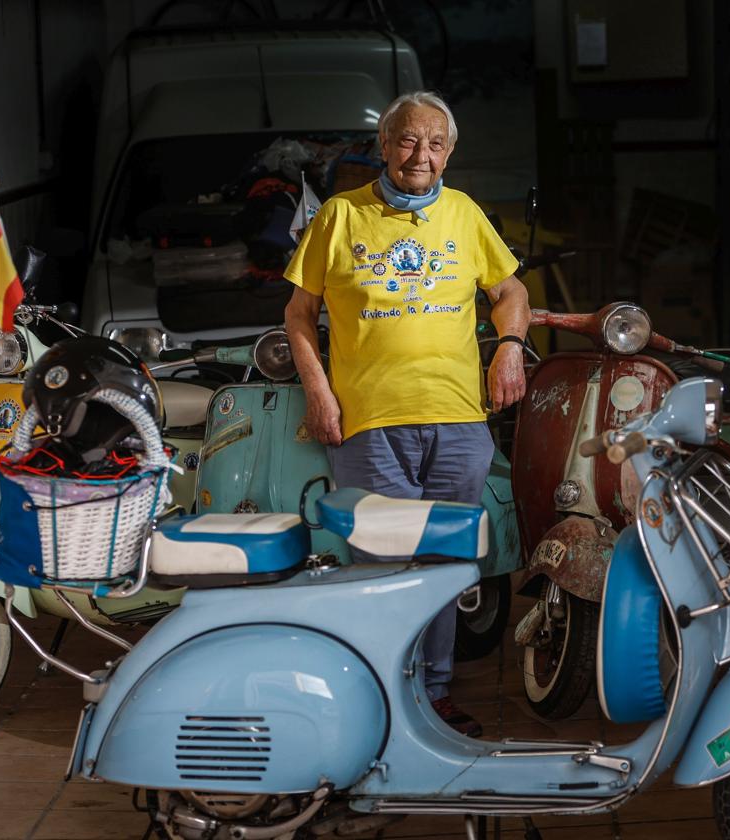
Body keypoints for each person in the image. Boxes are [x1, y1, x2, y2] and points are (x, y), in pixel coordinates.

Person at [283, 90, 530, 737]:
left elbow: (509, 290)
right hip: (368, 421)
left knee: (445, 563)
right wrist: (318, 391)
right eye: (408, 140)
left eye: (435, 143)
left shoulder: (464, 214)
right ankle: (385, 693)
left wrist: (509, 347)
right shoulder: (340, 216)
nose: (421, 155)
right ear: (385, 145)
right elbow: (298, 314)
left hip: (456, 419)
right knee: (383, 564)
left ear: (449, 153)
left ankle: (435, 695)